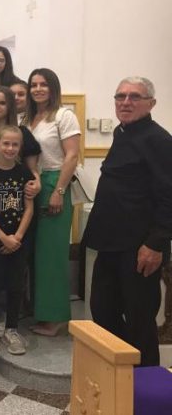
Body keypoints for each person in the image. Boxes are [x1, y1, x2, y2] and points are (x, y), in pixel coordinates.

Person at [83, 77, 172, 366]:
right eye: (120, 96)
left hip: (140, 248)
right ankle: (119, 376)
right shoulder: (122, 132)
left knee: (139, 320)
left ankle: (144, 383)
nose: (125, 102)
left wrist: (155, 244)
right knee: (103, 311)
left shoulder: (159, 140)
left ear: (151, 104)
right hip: (111, 244)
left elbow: (169, 195)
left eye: (134, 97)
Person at [26, 68, 80, 336]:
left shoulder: (63, 115)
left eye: (43, 84)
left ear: (53, 88)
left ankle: (56, 317)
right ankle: (41, 311)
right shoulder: (29, 118)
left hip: (55, 181)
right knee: (37, 252)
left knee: (52, 253)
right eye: (34, 84)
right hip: (34, 182)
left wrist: (59, 190)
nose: (38, 89)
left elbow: (72, 155)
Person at [0, 126, 35, 356]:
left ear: (20, 148)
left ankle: (11, 329)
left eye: (15, 144)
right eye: (6, 143)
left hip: (19, 239)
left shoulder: (25, 174)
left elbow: (28, 208)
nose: (10, 148)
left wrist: (17, 237)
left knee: (15, 284)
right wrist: (2, 237)